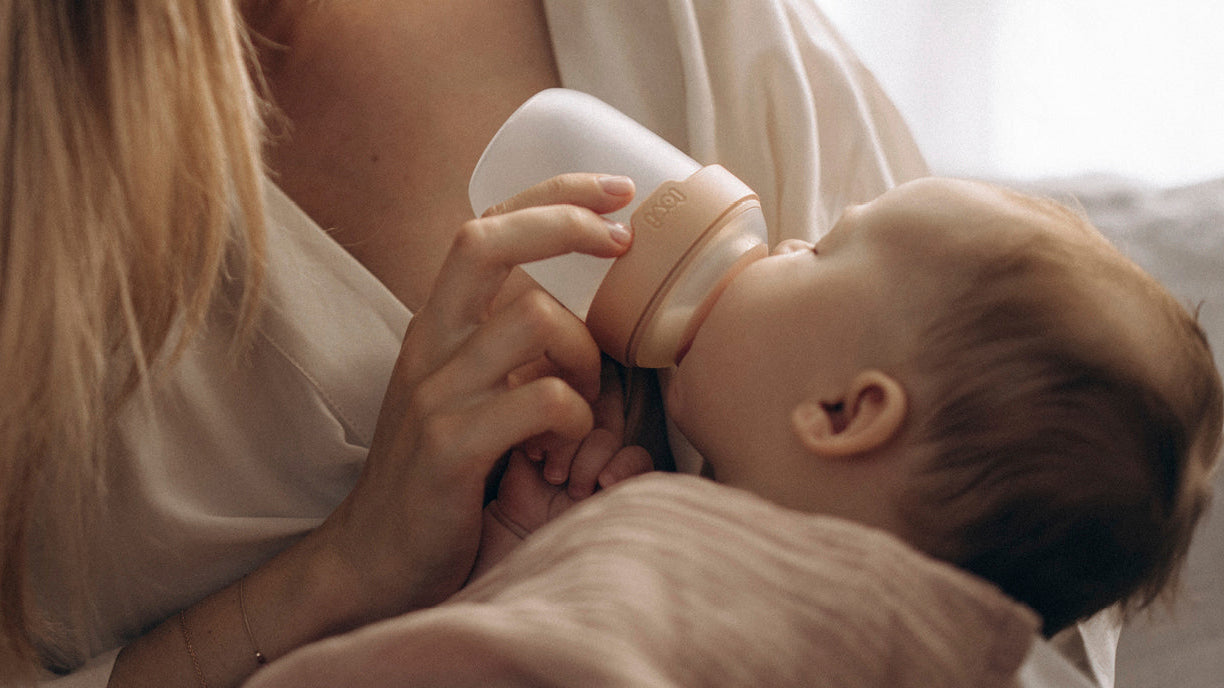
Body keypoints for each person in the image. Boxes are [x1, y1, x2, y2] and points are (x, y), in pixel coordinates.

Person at [4, 0, 931, 686]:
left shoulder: (690, 24)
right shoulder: (36, 194)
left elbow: (980, 468)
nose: (804, 245)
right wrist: (348, 568)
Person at [474, 176, 1224, 639]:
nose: (790, 239)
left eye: (822, 251)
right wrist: (528, 553)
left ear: (842, 413)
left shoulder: (723, 622)